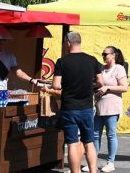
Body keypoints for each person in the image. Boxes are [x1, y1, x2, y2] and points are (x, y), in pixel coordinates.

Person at [46, 31, 104, 173]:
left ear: (68, 43)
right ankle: (93, 171)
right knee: (89, 142)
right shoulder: (92, 60)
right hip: (86, 108)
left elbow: (56, 85)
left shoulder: (62, 62)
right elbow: (101, 82)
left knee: (72, 143)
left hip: (69, 108)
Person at [92, 46, 129, 173]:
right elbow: (97, 83)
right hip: (99, 106)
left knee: (111, 134)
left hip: (112, 107)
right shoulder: (101, 69)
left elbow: (124, 87)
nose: (103, 56)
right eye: (102, 54)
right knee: (95, 135)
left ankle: (110, 162)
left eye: (106, 54)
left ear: (114, 55)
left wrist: (107, 88)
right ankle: (93, 162)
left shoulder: (119, 68)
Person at [0, 29, 41, 93]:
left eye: (3, 39)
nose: (1, 42)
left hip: (2, 91)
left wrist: (31, 80)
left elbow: (18, 72)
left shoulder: (10, 55)